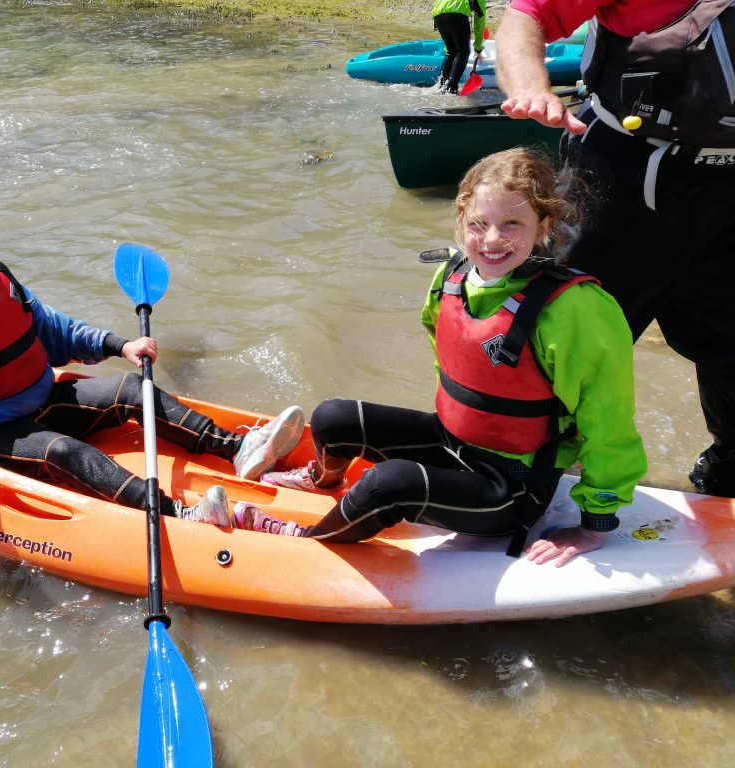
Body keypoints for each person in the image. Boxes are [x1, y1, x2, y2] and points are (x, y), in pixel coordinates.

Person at [232, 149, 647, 568]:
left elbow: (608, 419)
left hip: (511, 487)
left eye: (512, 224)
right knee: (333, 418)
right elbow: (453, 362)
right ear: (461, 217)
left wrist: (594, 524)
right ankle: (321, 482)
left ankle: (305, 539)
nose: (490, 240)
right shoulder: (450, 278)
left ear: (545, 226)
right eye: (478, 224)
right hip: (454, 445)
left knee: (387, 484)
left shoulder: (577, 309)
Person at [0, 211, 305, 526]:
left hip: (41, 398)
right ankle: (181, 514)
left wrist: (121, 344)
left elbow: (58, 332)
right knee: (64, 451)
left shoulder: (4, 285)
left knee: (133, 387)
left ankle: (235, 448)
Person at [496, 1, 735, 498]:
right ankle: (508, 482)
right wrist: (530, 88)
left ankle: (727, 481)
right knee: (562, 344)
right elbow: (528, 15)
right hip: (618, 183)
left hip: (726, 196)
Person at [431, 0, 486, 94]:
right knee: (463, 52)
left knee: (451, 52)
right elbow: (480, 21)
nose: (472, 11)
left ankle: (440, 86)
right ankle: (451, 90)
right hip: (456, 15)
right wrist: (478, 48)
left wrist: (448, 48)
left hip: (438, 15)